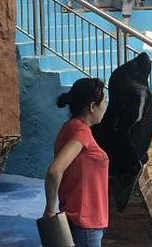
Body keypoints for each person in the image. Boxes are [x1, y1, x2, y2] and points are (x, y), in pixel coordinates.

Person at [44, 78, 108, 246]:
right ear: (92, 106)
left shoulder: (70, 127)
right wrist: (50, 209)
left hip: (81, 220)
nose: (106, 104)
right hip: (85, 223)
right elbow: (55, 171)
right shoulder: (81, 132)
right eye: (104, 100)